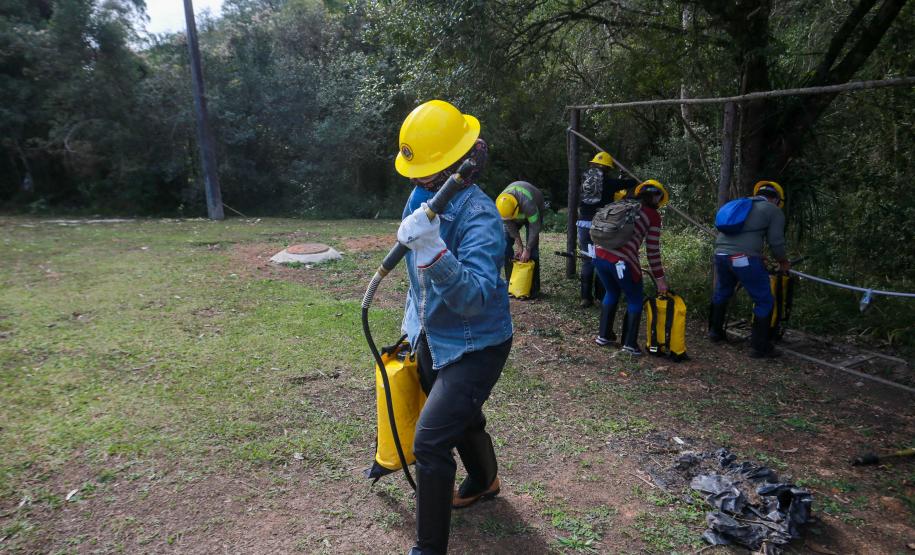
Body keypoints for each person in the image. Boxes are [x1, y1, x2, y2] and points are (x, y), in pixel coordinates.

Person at [394, 100, 513, 555]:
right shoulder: (420, 194)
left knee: (430, 441)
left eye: (424, 172)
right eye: (414, 173)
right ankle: (485, 481)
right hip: (431, 333)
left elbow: (475, 298)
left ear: (453, 163)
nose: (416, 181)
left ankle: (428, 550)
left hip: (477, 343)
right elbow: (417, 278)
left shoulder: (480, 215)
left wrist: (435, 251)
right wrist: (412, 322)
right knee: (460, 417)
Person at [708, 181, 789, 358]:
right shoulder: (773, 210)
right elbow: (776, 242)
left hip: (720, 255)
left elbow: (739, 236)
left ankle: (715, 332)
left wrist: (756, 255)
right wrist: (783, 261)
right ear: (776, 199)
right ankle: (760, 347)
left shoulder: (739, 204)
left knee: (723, 291)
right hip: (742, 259)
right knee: (764, 300)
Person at [593, 180, 669, 355]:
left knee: (611, 292)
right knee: (635, 299)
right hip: (621, 261)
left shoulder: (622, 204)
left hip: (599, 255)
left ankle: (604, 336)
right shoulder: (652, 215)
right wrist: (660, 279)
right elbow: (652, 251)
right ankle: (629, 344)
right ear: (657, 197)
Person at [577, 152, 630, 308]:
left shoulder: (585, 182)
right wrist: (628, 177)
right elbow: (627, 184)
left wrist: (620, 179)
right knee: (601, 259)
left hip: (583, 225)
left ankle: (585, 298)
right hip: (600, 227)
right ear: (607, 169)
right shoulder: (609, 182)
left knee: (587, 260)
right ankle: (601, 296)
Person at [496, 181, 544, 298]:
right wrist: (519, 245)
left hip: (534, 207)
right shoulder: (501, 204)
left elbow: (535, 227)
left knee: (533, 251)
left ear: (516, 207)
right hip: (512, 214)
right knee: (505, 245)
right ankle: (511, 284)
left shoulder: (528, 203)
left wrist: (527, 249)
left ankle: (533, 290)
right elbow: (509, 224)